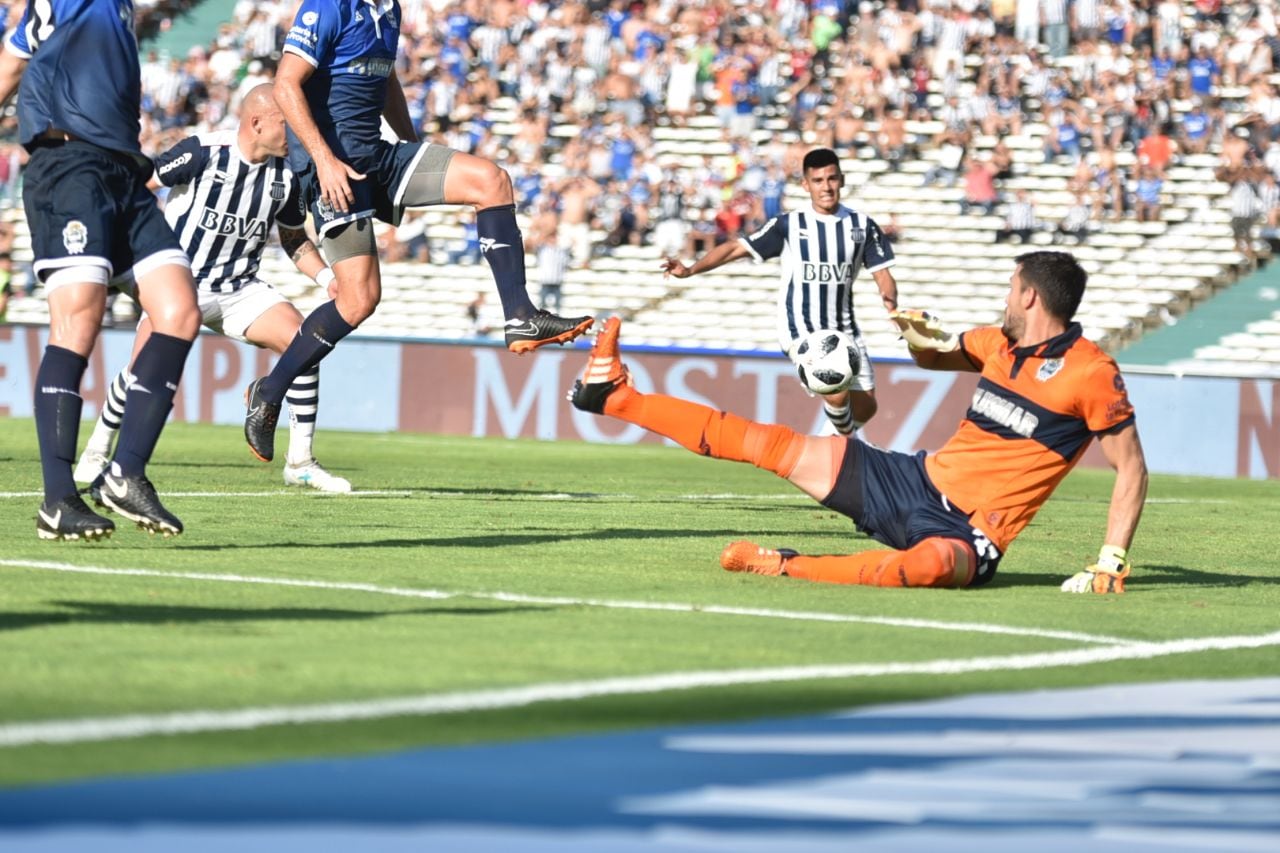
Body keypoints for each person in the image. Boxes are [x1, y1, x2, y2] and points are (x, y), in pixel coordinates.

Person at [571, 251, 1147, 594]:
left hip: (971, 533)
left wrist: (1110, 560)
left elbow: (1132, 469)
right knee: (771, 443)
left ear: (1030, 299)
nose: (1004, 298)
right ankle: (613, 397)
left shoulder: (1090, 373)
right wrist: (915, 330)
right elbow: (936, 354)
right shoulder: (998, 342)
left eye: (1010, 289)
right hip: (913, 481)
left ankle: (785, 566)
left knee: (928, 567)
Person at [242, 0, 594, 463]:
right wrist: (324, 162)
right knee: (358, 301)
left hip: (382, 157)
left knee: (492, 180)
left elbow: (385, 80)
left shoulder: (390, 11)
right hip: (335, 170)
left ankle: (520, 315)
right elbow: (285, 84)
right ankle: (270, 392)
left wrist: (410, 143)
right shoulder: (328, 6)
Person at [74, 85, 352, 494]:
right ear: (256, 123)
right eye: (285, 122)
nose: (294, 131)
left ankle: (301, 462)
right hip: (180, 287)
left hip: (241, 289)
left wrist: (328, 279)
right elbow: (140, 186)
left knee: (306, 344)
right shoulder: (203, 151)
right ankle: (98, 448)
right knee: (141, 372)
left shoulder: (287, 173)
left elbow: (293, 239)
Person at [0, 0, 202, 541]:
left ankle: (126, 472)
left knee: (180, 310)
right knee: (79, 322)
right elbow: (12, 62)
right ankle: (58, 499)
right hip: (69, 167)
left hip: (122, 171)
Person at [661, 148, 899, 437]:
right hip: (801, 327)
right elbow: (737, 247)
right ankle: (846, 451)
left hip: (845, 328)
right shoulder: (790, 225)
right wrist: (691, 270)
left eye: (832, 179)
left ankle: (829, 443)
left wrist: (892, 310)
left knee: (866, 405)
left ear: (842, 180)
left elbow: (883, 275)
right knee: (835, 389)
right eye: (818, 180)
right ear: (805, 185)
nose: (826, 186)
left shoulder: (861, 225)